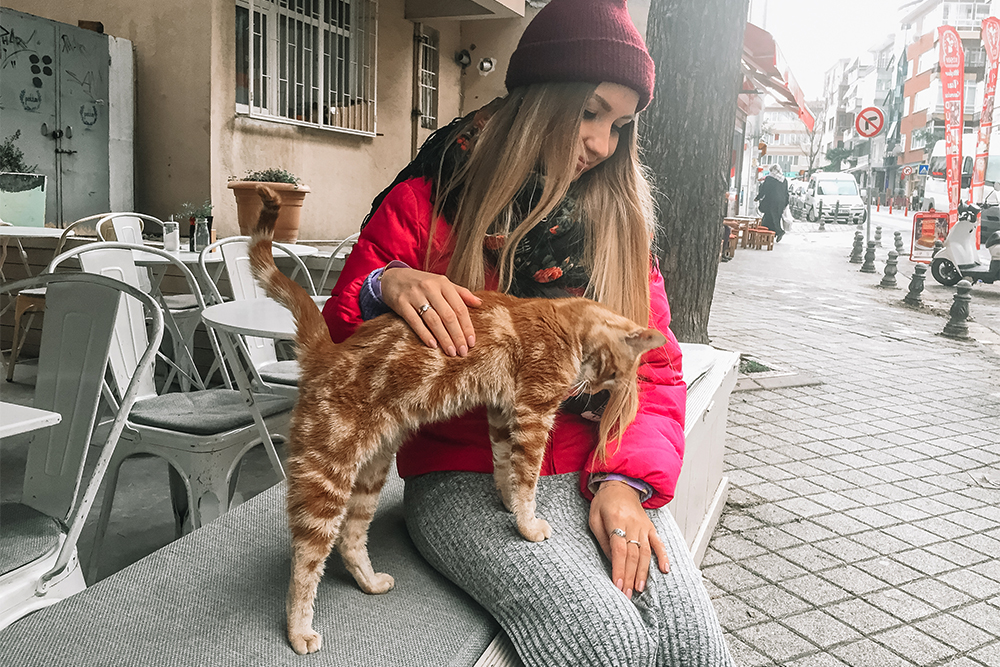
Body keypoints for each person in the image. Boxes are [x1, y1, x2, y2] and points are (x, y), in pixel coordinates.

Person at [322, 0, 734, 664]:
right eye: (591, 111)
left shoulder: (623, 227)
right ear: (541, 96)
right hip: (464, 472)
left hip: (601, 463)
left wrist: (625, 484)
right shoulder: (428, 201)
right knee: (607, 644)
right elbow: (339, 352)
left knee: (693, 646)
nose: (602, 143)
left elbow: (656, 373)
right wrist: (383, 285)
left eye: (620, 125)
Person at [755, 163, 789, 241]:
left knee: (772, 218)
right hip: (781, 203)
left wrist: (758, 198)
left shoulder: (769, 178)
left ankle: (779, 232)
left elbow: (764, 190)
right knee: (774, 217)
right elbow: (786, 193)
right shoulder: (784, 180)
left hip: (771, 202)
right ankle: (770, 235)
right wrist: (786, 203)